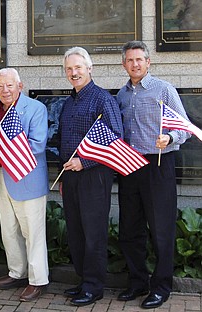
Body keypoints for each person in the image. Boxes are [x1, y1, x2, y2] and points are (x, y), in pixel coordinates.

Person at [116, 40, 191, 309]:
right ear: (124, 64)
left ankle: (161, 287)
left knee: (160, 230)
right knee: (130, 228)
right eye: (130, 60)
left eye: (140, 59)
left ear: (149, 62)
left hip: (159, 165)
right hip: (129, 166)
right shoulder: (121, 95)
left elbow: (185, 127)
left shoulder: (164, 90)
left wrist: (170, 137)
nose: (135, 64)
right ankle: (137, 282)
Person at [58, 47, 123, 306]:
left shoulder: (103, 99)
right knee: (76, 231)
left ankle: (94, 287)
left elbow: (116, 139)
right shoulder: (69, 101)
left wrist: (84, 161)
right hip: (70, 176)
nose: (74, 73)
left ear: (89, 69)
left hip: (94, 176)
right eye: (69, 69)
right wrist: (64, 175)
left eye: (78, 68)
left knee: (94, 232)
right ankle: (84, 280)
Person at [0, 68, 49, 302]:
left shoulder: (36, 108)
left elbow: (37, 145)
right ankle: (17, 272)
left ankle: (37, 280)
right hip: (0, 176)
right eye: (0, 86)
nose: (5, 90)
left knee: (33, 233)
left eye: (10, 85)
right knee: (9, 230)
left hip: (27, 178)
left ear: (20, 86)